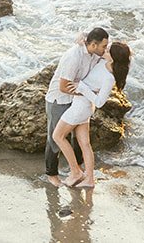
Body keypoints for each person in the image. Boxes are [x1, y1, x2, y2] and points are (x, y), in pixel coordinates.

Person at [51, 41, 131, 188]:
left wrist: (82, 88)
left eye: (108, 49)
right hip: (81, 105)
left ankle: (76, 172)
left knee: (58, 136)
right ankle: (89, 180)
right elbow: (92, 48)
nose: (105, 49)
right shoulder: (103, 62)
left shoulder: (109, 78)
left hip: (81, 107)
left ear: (112, 57)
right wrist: (81, 39)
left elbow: (100, 102)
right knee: (85, 144)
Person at [43, 27, 108, 185]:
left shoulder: (95, 53)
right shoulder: (73, 57)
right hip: (59, 99)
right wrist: (88, 93)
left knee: (78, 138)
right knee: (55, 138)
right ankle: (52, 174)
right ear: (93, 45)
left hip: (76, 100)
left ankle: (77, 171)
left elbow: (114, 53)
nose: (106, 49)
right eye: (104, 46)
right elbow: (63, 87)